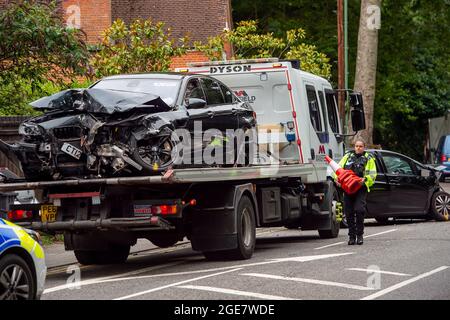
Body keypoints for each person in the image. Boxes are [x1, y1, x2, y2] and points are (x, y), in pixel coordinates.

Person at [333, 140, 377, 245]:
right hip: (348, 188)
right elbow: (338, 169)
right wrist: (337, 180)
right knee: (349, 213)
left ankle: (359, 235)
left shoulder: (369, 158)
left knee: (359, 210)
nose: (358, 148)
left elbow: (373, 174)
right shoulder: (347, 157)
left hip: (360, 188)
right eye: (357, 146)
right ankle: (351, 236)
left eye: (360, 146)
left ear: (364, 147)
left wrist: (365, 180)